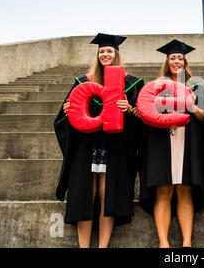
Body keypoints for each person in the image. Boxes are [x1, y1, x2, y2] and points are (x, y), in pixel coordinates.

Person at [54, 33, 144, 248]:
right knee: (86, 193)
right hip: (86, 145)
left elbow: (142, 117)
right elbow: (64, 116)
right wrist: (68, 111)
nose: (105, 54)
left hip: (115, 147)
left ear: (117, 54)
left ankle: (103, 246)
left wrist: (130, 110)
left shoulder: (131, 83)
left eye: (109, 51)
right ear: (97, 55)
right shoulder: (83, 82)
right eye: (102, 51)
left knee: (107, 194)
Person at [138, 39, 204, 248]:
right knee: (164, 190)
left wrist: (193, 107)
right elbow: (146, 113)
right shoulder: (155, 86)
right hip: (161, 140)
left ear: (185, 62)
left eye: (180, 58)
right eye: (172, 58)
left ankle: (187, 243)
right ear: (167, 62)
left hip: (188, 140)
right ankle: (163, 243)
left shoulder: (197, 86)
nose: (177, 61)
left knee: (185, 190)